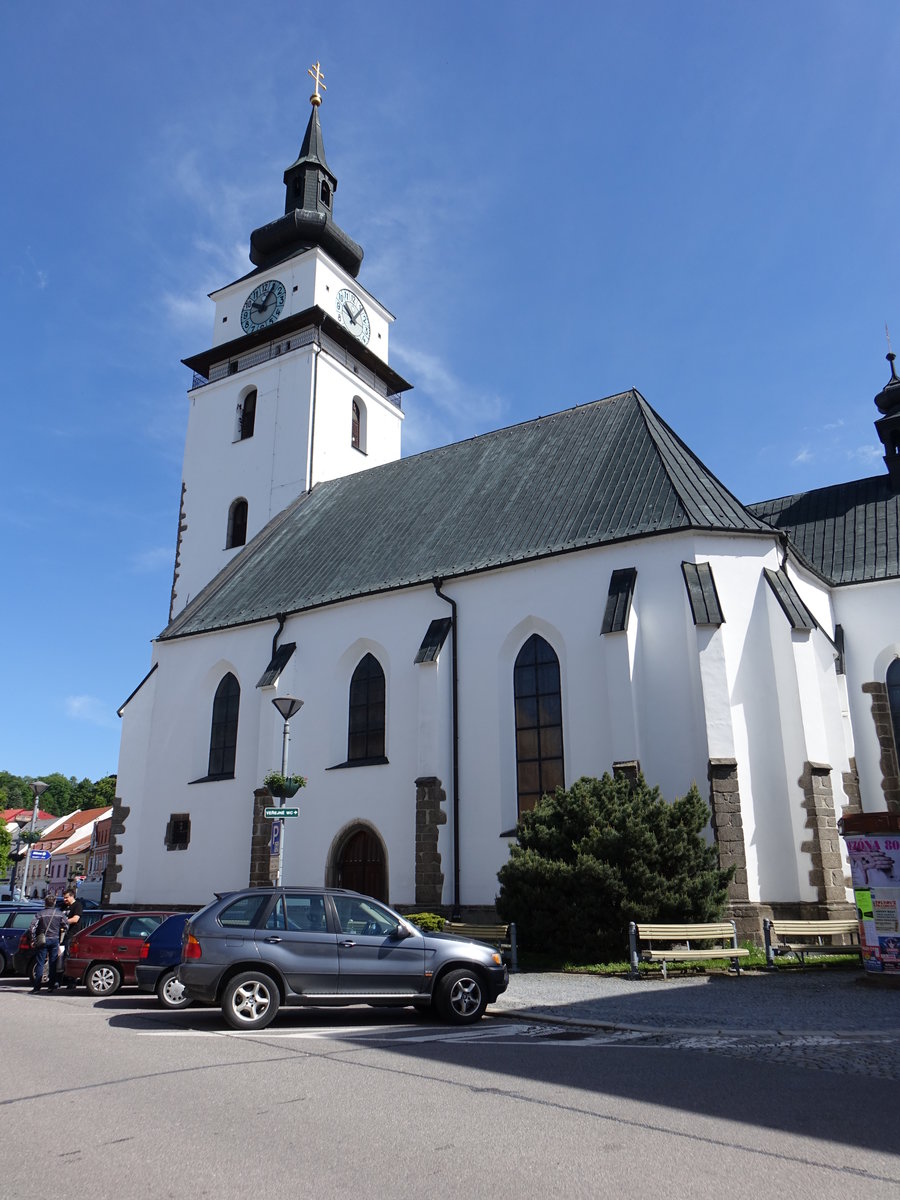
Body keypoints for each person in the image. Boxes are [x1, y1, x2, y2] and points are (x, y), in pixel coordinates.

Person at [29, 896, 68, 993]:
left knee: (40, 963)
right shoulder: (59, 914)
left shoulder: (40, 914)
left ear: (45, 903)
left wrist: (33, 938)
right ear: (54, 903)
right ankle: (51, 986)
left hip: (43, 940)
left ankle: (37, 987)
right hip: (55, 939)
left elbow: (32, 927)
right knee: (53, 963)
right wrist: (61, 931)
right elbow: (66, 925)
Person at [59, 887, 84, 990]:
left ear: (72, 896)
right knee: (61, 959)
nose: (64, 900)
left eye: (66, 897)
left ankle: (72, 981)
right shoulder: (63, 906)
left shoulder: (77, 906)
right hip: (61, 936)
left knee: (68, 957)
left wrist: (63, 922)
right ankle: (60, 980)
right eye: (64, 897)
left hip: (71, 935)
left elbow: (75, 919)